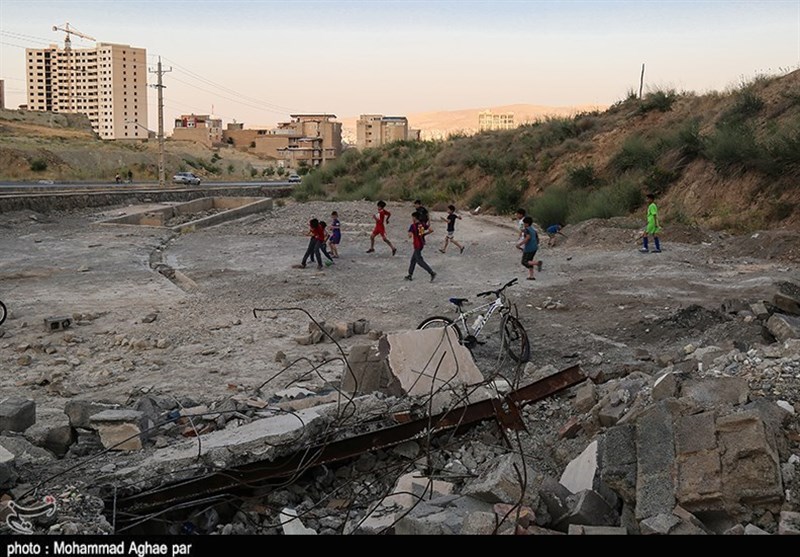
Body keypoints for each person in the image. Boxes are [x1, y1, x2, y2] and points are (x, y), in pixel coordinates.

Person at [405, 211, 436, 282]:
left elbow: (410, 235)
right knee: (413, 260)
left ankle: (431, 273)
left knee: (419, 261)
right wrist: (425, 234)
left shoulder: (413, 226)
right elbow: (430, 230)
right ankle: (410, 275)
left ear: (414, 218)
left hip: (417, 245)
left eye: (412, 217)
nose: (412, 219)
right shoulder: (422, 225)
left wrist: (410, 234)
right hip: (421, 244)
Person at [516, 216, 540, 280]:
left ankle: (537, 263)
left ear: (527, 223)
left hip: (529, 248)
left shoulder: (527, 230)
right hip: (534, 248)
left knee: (524, 261)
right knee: (529, 260)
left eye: (524, 223)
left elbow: (527, 238)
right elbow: (537, 239)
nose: (523, 224)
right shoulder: (533, 230)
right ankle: (531, 276)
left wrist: (520, 244)